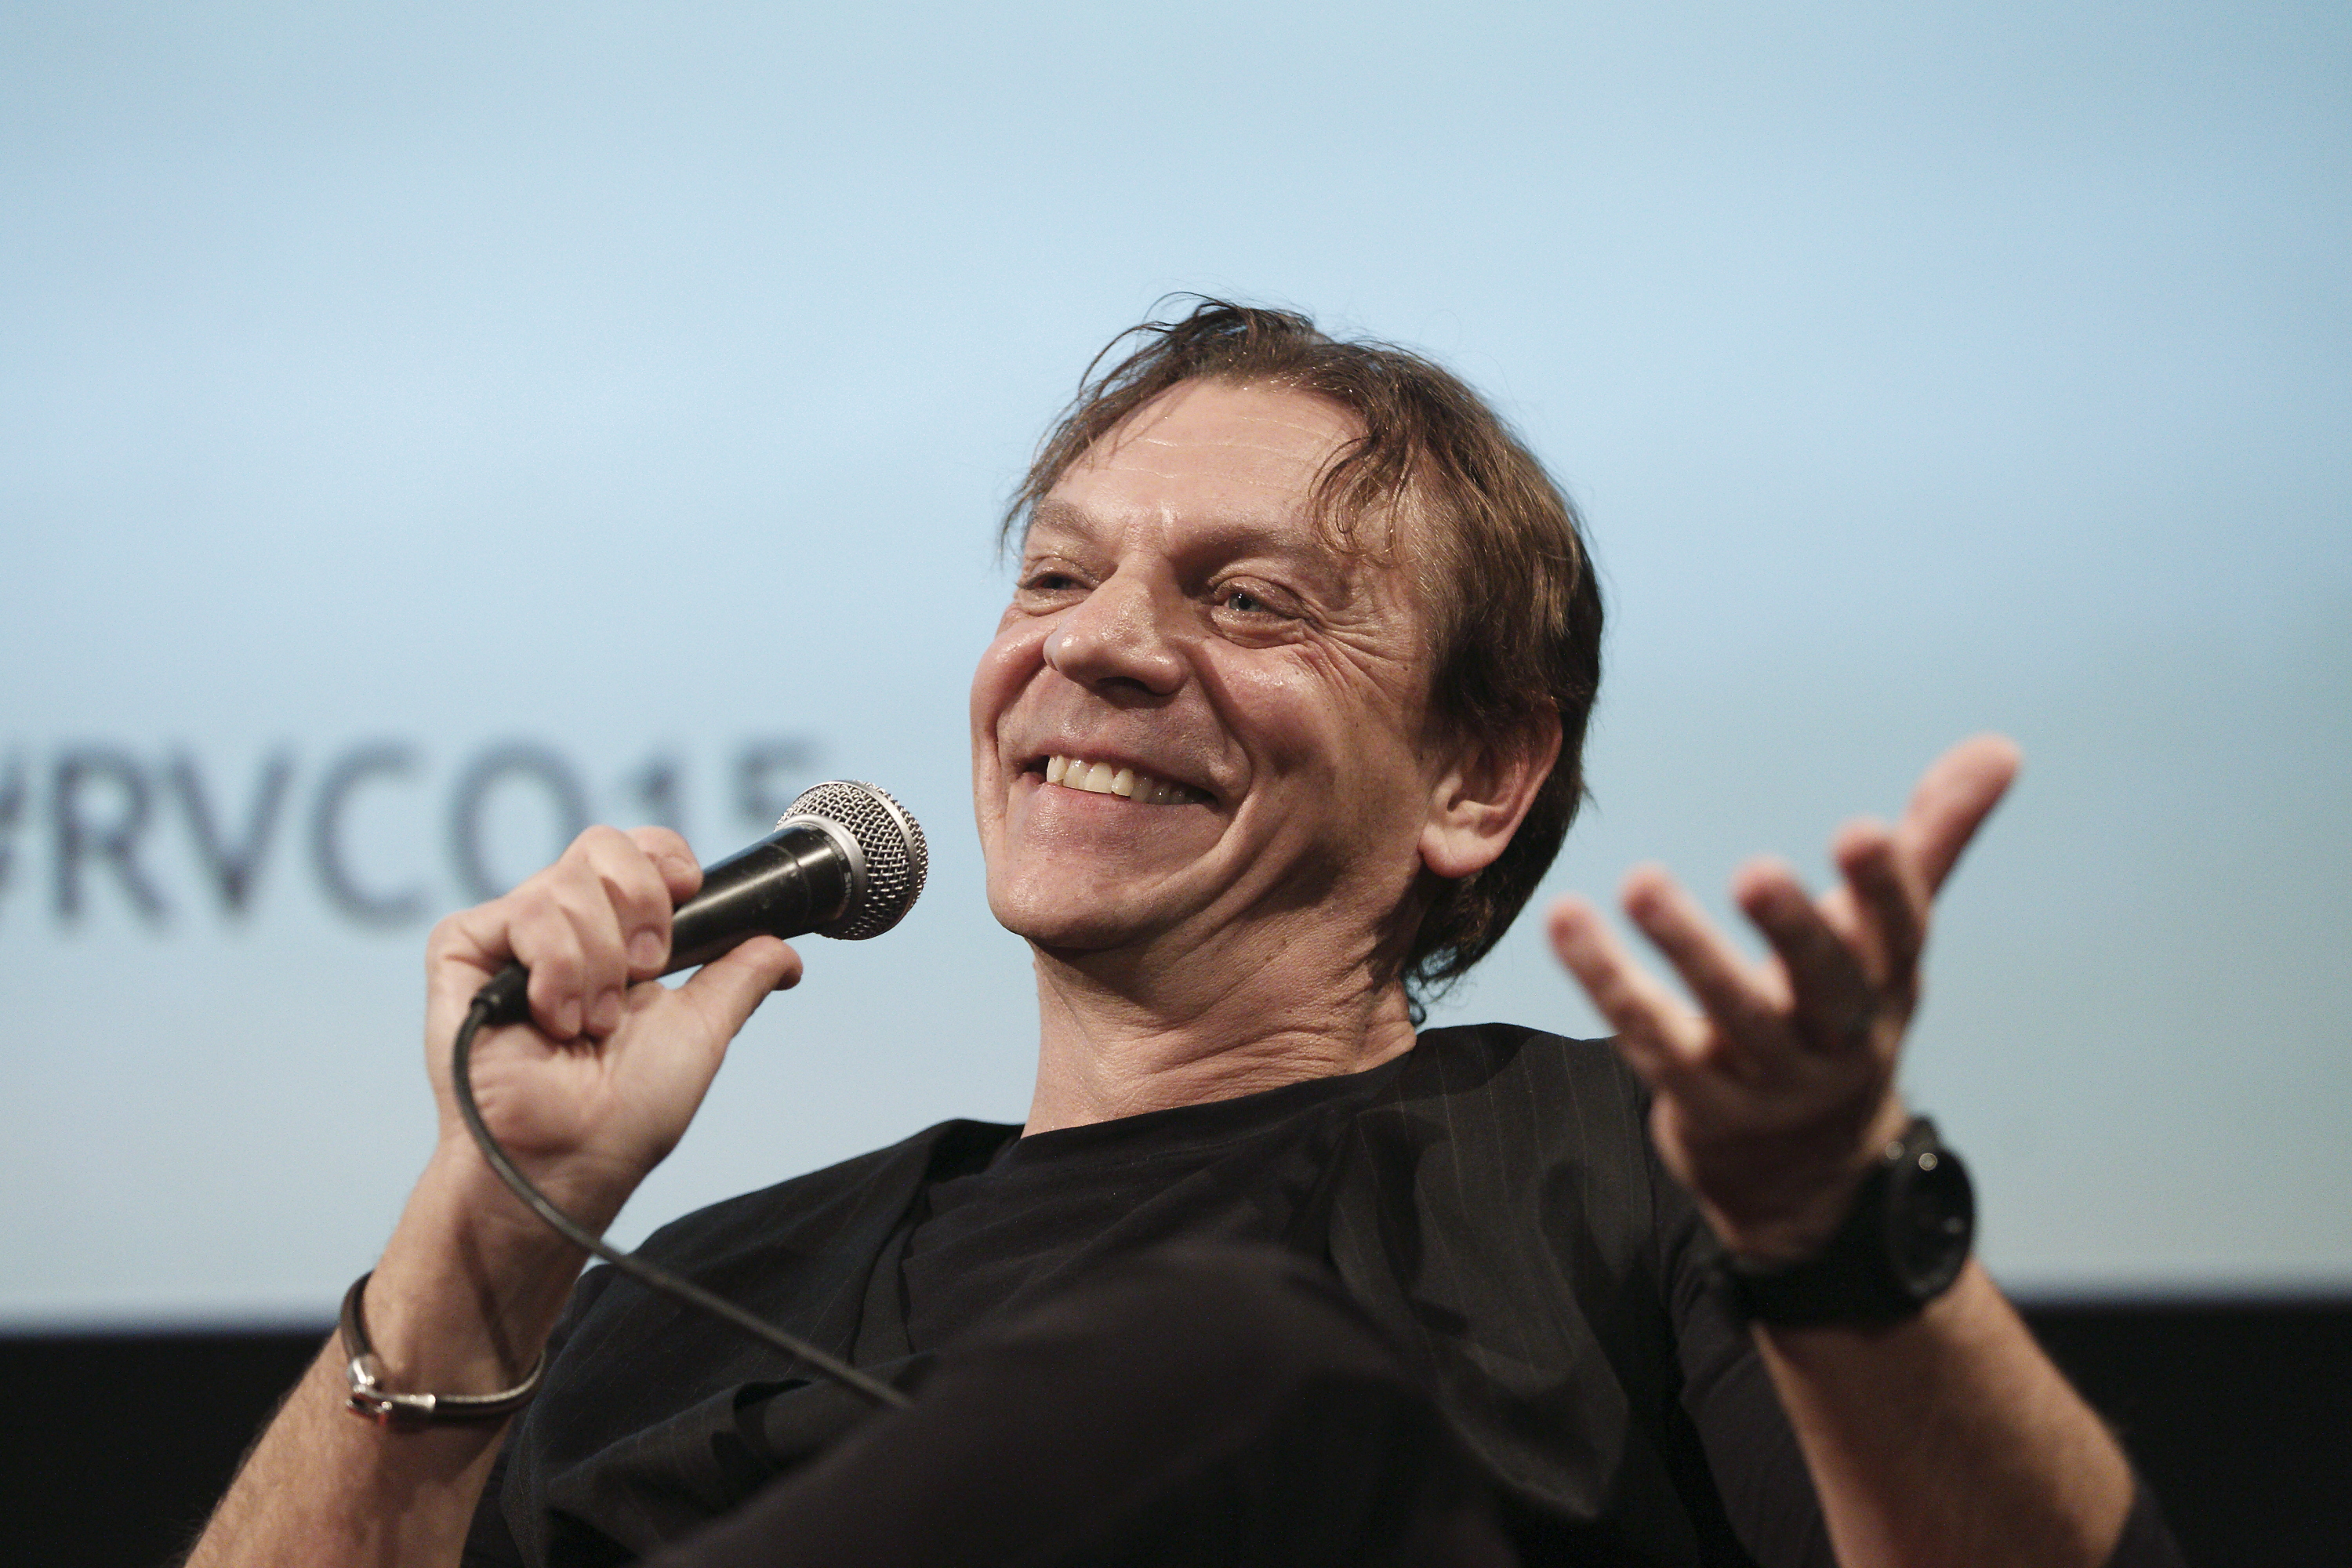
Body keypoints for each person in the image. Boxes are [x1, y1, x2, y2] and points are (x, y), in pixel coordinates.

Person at [188, 301, 2180, 1568]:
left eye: (1250, 601)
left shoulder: (1624, 1178)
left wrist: (1834, 1231)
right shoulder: (692, 1292)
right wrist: (483, 1241)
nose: (1101, 646)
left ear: (1479, 776)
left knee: (1232, 1368)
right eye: (1056, 577)